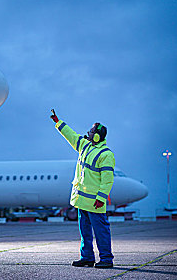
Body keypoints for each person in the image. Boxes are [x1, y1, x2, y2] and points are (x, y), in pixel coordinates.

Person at [50, 109, 115, 268]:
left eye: (92, 131)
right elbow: (71, 135)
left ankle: (106, 259)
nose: (89, 133)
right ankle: (87, 257)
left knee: (101, 232)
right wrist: (58, 122)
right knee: (85, 233)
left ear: (98, 135)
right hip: (82, 201)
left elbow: (107, 180)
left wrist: (101, 198)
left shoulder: (106, 155)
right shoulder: (85, 146)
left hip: (94, 202)